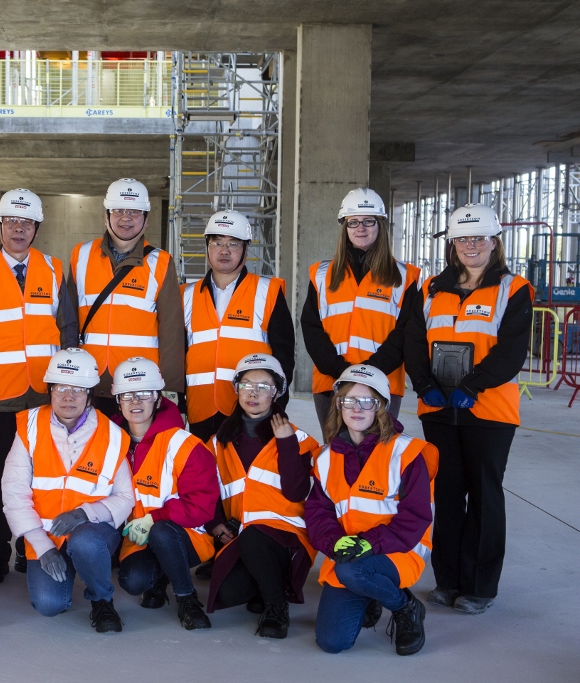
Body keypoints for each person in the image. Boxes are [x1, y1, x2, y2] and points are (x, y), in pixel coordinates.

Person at [405, 203, 533, 615]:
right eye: (463, 238)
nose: (471, 245)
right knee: (446, 492)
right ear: (452, 245)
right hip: (439, 409)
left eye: (479, 238)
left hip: (490, 411)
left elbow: (512, 351)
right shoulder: (430, 289)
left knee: (484, 496)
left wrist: (473, 386)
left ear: (494, 242)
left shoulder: (513, 289)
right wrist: (425, 385)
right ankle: (448, 580)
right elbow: (413, 343)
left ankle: (479, 586)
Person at [0, 189, 78, 583]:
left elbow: (68, 331)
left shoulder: (55, 270)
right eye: (12, 222)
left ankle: (33, 548)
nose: (19, 230)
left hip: (44, 398)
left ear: (37, 228)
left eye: (27, 223)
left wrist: (69, 385)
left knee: (40, 477)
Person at [306, 365, 436, 656]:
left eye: (367, 401)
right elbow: (318, 515)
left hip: (397, 552)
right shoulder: (326, 458)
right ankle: (370, 592)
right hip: (350, 553)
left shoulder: (405, 454)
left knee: (353, 571)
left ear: (382, 407)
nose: (357, 408)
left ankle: (406, 607)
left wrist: (368, 543)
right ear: (338, 405)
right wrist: (333, 542)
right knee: (331, 642)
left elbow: (415, 518)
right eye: (349, 400)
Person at [1, 348, 134, 632]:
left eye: (78, 389)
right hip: (46, 536)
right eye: (61, 387)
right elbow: (14, 494)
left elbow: (125, 498)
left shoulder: (112, 435)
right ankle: (68, 564)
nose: (68, 396)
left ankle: (102, 601)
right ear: (49, 390)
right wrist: (42, 546)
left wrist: (85, 513)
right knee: (50, 605)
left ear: (90, 393)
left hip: (92, 534)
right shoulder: (30, 427)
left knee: (85, 544)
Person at [204, 354, 319, 639]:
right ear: (237, 389)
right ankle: (269, 584)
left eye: (263, 386)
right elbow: (206, 490)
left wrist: (286, 444)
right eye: (246, 385)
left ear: (277, 392)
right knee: (230, 592)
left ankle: (277, 608)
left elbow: (296, 491)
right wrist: (215, 525)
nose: (253, 393)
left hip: (286, 537)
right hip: (241, 538)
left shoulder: (300, 439)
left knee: (256, 537)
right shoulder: (220, 441)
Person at [300, 188, 420, 433]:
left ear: (381, 225)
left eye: (368, 221)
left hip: (381, 383)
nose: (360, 228)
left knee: (376, 458)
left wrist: (368, 373)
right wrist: (339, 370)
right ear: (344, 227)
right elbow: (311, 328)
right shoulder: (322, 275)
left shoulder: (404, 277)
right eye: (352, 222)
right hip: (331, 382)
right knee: (336, 457)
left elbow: (406, 332)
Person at [113, 358, 219, 630]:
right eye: (127, 394)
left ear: (158, 399)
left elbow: (202, 505)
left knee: (161, 532)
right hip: (137, 539)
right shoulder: (112, 444)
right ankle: (161, 576)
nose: (136, 401)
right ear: (118, 401)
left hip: (185, 537)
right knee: (133, 581)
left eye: (145, 393)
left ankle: (187, 599)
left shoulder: (184, 445)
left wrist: (156, 517)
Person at [69, 178, 185, 417]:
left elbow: (171, 330)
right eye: (119, 210)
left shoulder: (161, 263)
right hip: (88, 381)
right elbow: (68, 320)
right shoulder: (81, 255)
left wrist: (172, 389)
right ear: (106, 215)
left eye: (134, 211)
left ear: (146, 218)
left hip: (138, 386)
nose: (126, 218)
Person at [182, 211, 294, 441]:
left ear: (245, 249)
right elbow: (180, 351)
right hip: (200, 409)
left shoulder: (268, 291)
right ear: (207, 247)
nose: (224, 250)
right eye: (217, 242)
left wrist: (277, 401)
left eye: (233, 243)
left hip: (252, 409)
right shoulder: (186, 295)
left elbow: (285, 354)